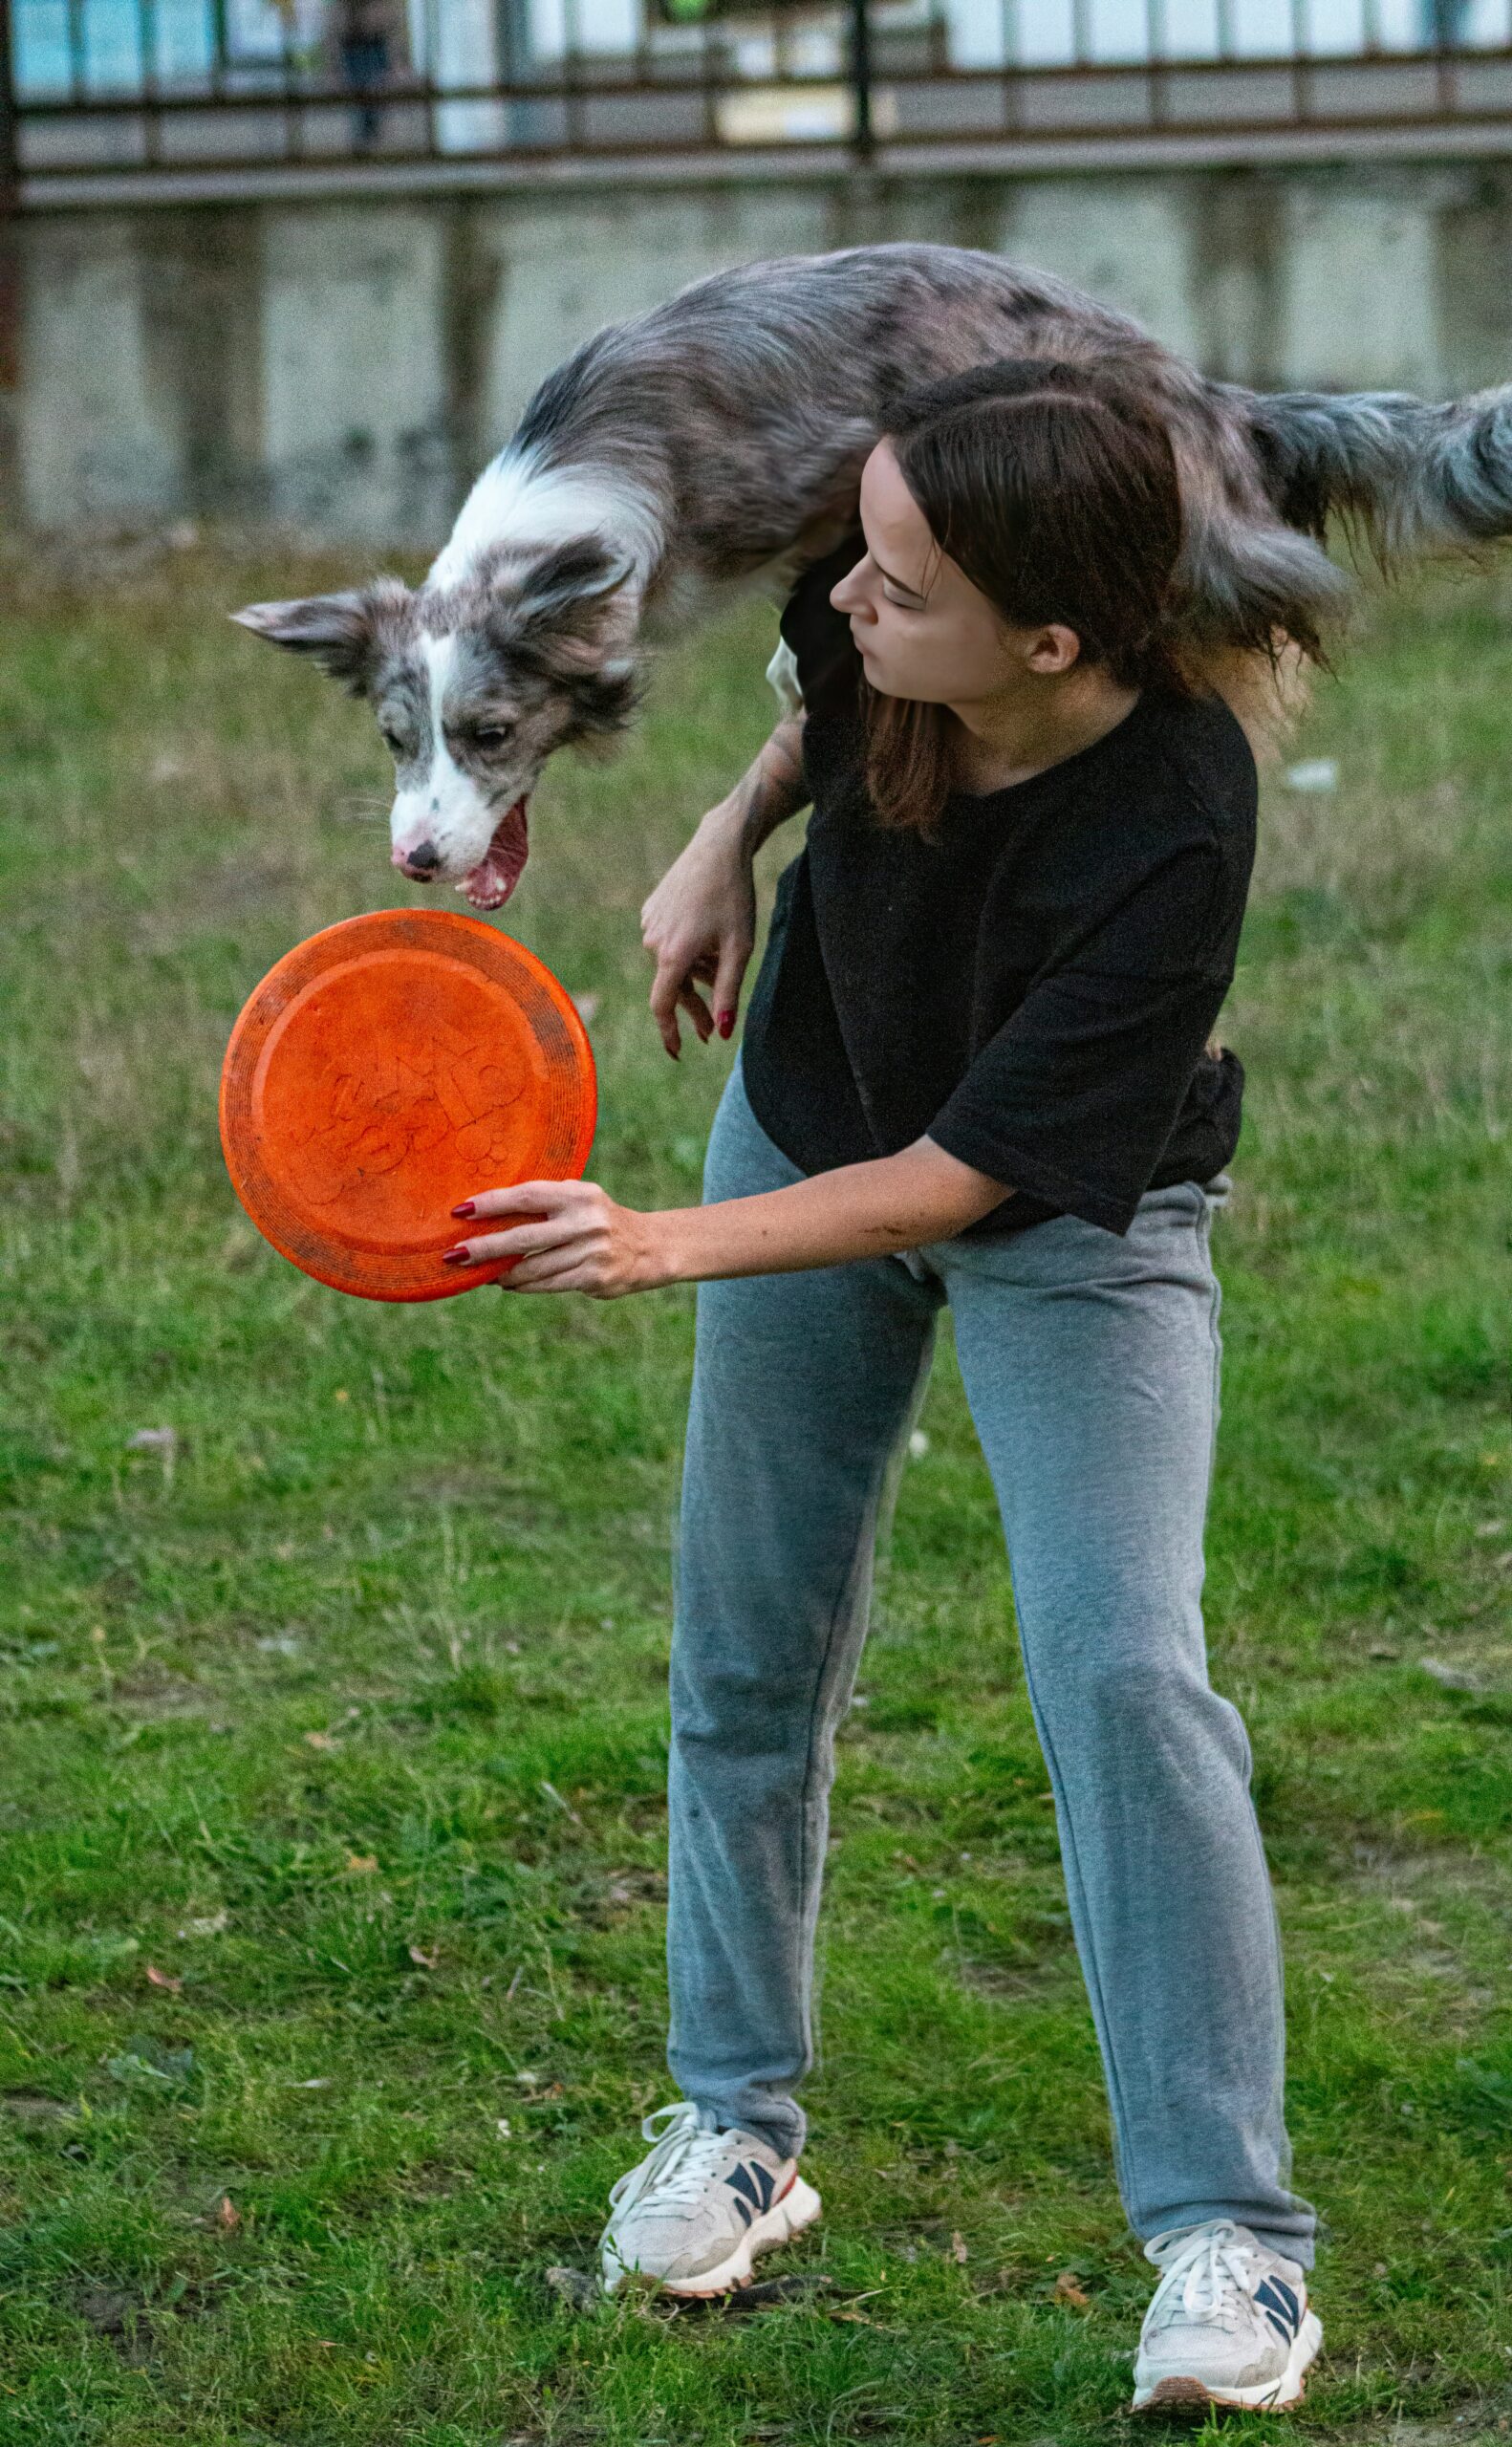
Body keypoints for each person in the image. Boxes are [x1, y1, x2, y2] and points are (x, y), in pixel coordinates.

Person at [445, 357, 1323, 2418]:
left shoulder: (1172, 817)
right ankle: (733, 2124)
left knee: (1122, 1670)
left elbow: (956, 1181)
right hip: (807, 1106)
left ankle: (1232, 2242)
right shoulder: (875, 625)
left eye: (900, 584)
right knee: (746, 1647)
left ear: (1050, 641)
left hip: (1065, 1214)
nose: (846, 599)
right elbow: (807, 715)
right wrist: (716, 847)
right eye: (859, 551)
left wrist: (654, 1240)